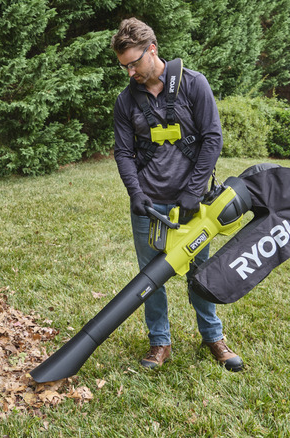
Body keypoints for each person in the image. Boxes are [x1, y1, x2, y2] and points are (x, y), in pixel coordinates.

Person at [110, 17, 243, 372]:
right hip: (149, 205)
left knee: (201, 272)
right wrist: (135, 193)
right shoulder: (126, 101)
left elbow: (212, 138)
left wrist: (193, 192)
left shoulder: (193, 85)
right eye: (124, 66)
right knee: (150, 278)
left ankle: (213, 336)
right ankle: (159, 343)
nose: (130, 73)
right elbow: (123, 152)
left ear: (152, 49)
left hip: (193, 205)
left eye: (134, 63)